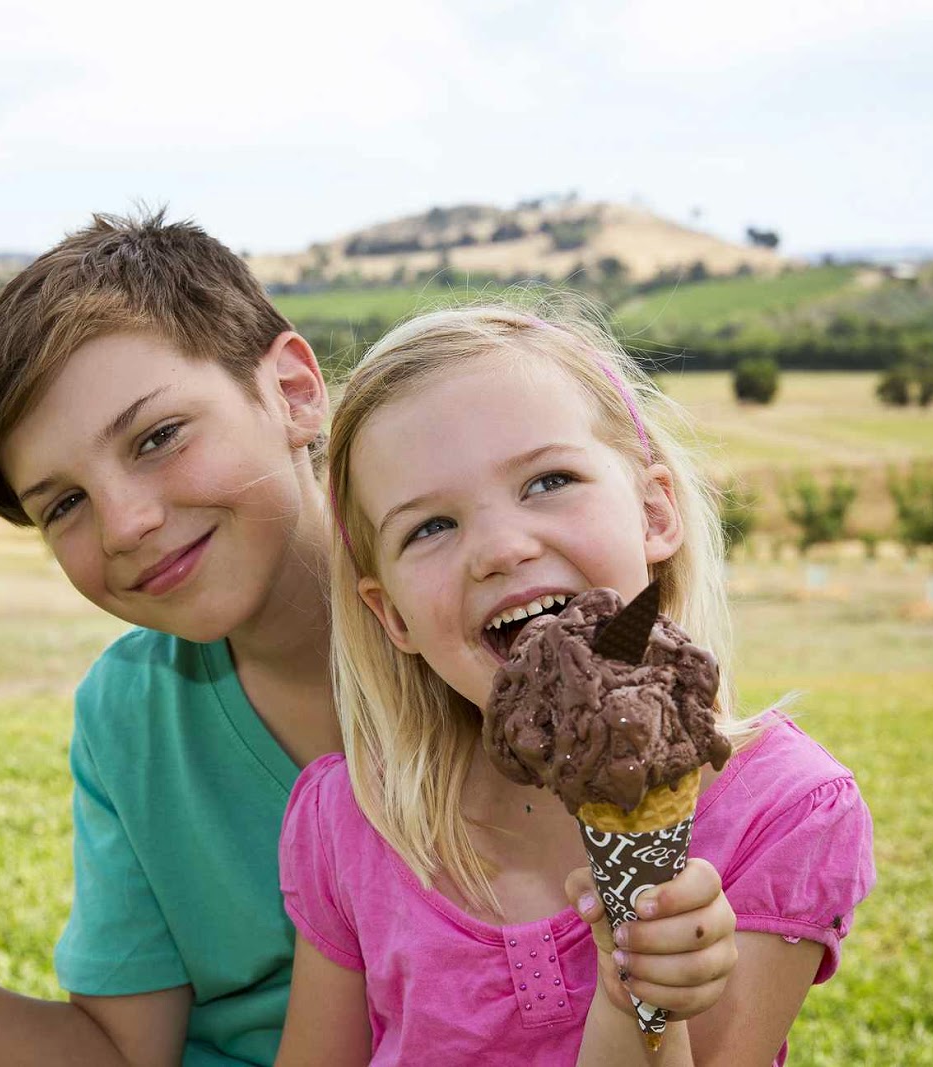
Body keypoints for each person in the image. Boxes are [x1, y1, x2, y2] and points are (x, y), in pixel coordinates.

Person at [0, 214, 736, 1066]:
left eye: (156, 437)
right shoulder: (130, 714)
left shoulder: (529, 642)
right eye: (63, 504)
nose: (127, 520)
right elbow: (121, 1049)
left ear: (289, 389)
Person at [275, 300, 875, 1065]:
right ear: (392, 616)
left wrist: (642, 998)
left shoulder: (781, 809)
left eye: (548, 480)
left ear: (654, 511)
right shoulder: (356, 819)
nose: (499, 548)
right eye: (429, 526)